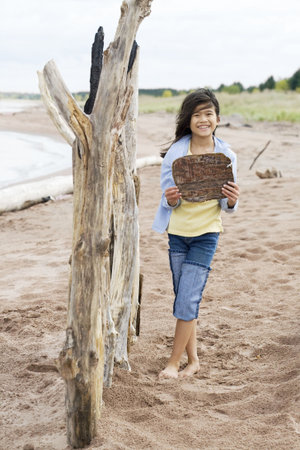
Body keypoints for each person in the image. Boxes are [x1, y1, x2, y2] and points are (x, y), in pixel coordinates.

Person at [152, 88, 240, 379]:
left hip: (206, 234)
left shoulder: (225, 155)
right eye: (197, 114)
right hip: (177, 234)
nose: (203, 119)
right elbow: (167, 200)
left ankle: (173, 364)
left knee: (187, 299)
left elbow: (228, 205)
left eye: (208, 114)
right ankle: (194, 360)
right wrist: (172, 198)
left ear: (217, 118)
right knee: (184, 299)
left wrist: (231, 199)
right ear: (188, 120)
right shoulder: (176, 153)